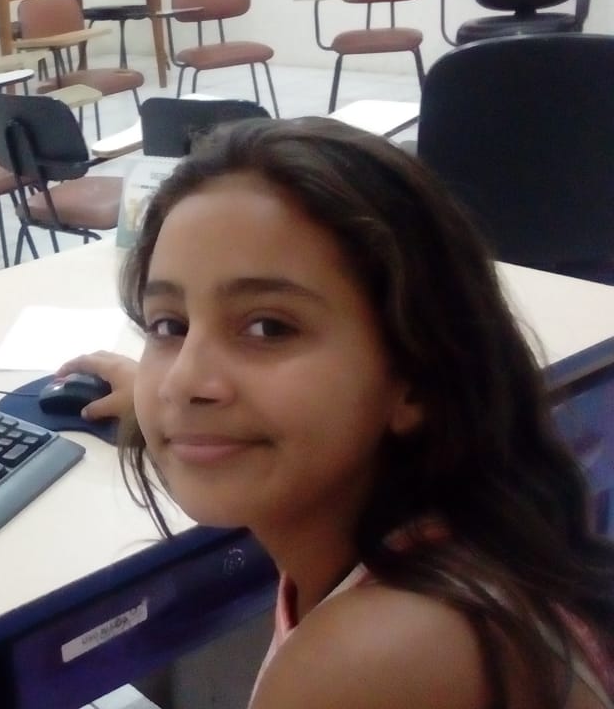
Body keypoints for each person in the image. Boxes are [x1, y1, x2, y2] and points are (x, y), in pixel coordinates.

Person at [59, 118, 614, 708]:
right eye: (170, 326)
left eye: (268, 328)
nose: (182, 383)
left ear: (415, 378)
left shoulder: (375, 660)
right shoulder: (459, 536)